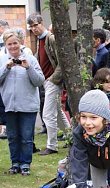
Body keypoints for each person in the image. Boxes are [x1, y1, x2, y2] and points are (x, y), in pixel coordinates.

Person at [0, 29, 44, 175]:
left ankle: (25, 163)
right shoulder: (2, 59)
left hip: (28, 105)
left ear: (21, 43)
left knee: (26, 137)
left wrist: (28, 68)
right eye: (9, 44)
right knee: (12, 137)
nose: (13, 47)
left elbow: (39, 81)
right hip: (9, 106)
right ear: (5, 45)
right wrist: (6, 68)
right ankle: (15, 163)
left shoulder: (30, 59)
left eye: (15, 43)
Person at [27, 13, 70, 155]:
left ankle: (52, 145)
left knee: (47, 114)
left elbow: (61, 61)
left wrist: (52, 79)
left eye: (35, 25)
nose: (34, 28)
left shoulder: (50, 38)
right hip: (45, 81)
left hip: (52, 80)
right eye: (31, 26)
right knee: (58, 113)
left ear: (41, 23)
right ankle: (73, 139)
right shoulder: (39, 40)